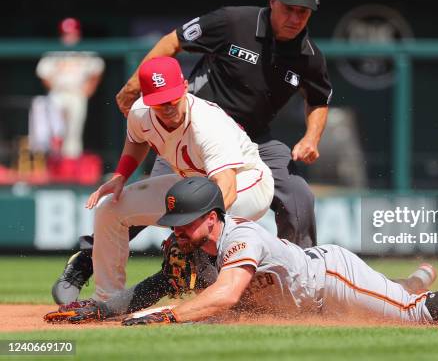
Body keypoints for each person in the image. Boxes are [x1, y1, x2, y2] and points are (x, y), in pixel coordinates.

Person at [52, 0, 332, 302]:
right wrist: (135, 83)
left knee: (299, 196)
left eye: (303, 11)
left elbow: (319, 100)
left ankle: (308, 282)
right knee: (155, 201)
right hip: (191, 131)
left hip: (253, 139)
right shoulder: (233, 22)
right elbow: (174, 40)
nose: (295, 17)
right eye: (288, 7)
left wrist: (311, 137)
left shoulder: (310, 57)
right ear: (272, 1)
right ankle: (84, 261)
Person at [44, 177, 438, 327]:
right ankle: (409, 281)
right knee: (396, 297)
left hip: (328, 278)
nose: (176, 231)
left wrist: (170, 317)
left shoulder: (242, 236)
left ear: (214, 217)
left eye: (186, 222)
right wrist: (106, 310)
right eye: (173, 223)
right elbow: (160, 286)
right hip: (309, 302)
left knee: (411, 315)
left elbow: (224, 295)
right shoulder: (189, 249)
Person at [52, 56, 274, 303]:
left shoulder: (208, 124)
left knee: (207, 227)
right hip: (192, 184)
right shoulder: (140, 113)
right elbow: (136, 141)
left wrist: (188, 230)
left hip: (248, 183)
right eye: (159, 102)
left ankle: (229, 287)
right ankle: (107, 298)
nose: (167, 107)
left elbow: (227, 188)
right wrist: (120, 176)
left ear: (186, 87)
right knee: (110, 209)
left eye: (172, 99)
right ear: (147, 100)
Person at [32, 17, 105, 160]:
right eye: (66, 33)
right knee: (54, 132)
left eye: (72, 33)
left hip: (77, 93)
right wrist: (54, 88)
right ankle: (53, 163)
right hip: (58, 93)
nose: (69, 36)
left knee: (74, 131)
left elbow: (97, 69)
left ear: (78, 34)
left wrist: (90, 88)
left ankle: (70, 166)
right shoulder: (54, 52)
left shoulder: (85, 52)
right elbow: (43, 72)